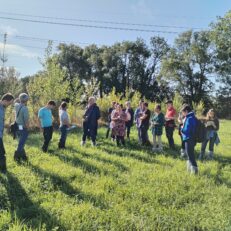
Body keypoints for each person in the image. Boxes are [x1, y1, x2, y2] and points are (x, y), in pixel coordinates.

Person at [181, 104, 198, 174]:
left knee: (190, 154)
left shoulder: (189, 118)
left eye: (183, 112)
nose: (182, 113)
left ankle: (195, 171)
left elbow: (187, 130)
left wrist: (181, 128)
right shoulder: (192, 117)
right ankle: (190, 169)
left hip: (189, 138)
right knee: (190, 154)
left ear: (186, 111)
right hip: (191, 138)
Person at [0, 93, 14, 173]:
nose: (10, 105)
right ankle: (3, 171)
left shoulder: (3, 108)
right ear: (5, 100)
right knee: (2, 153)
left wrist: (6, 126)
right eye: (9, 103)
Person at [14, 93, 30, 162]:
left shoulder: (16, 105)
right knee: (21, 143)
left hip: (17, 126)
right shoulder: (25, 108)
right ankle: (16, 156)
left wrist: (20, 99)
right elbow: (26, 121)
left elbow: (15, 101)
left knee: (21, 141)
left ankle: (23, 156)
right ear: (26, 100)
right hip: (23, 127)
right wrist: (27, 128)